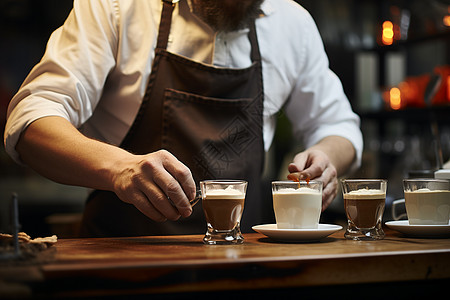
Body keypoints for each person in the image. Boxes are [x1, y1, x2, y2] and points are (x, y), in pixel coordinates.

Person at [4, 0, 363, 237]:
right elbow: (31, 119)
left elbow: (338, 126)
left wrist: (327, 157)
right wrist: (119, 169)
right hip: (122, 267)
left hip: (247, 266)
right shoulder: (115, 8)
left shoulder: (292, 22)